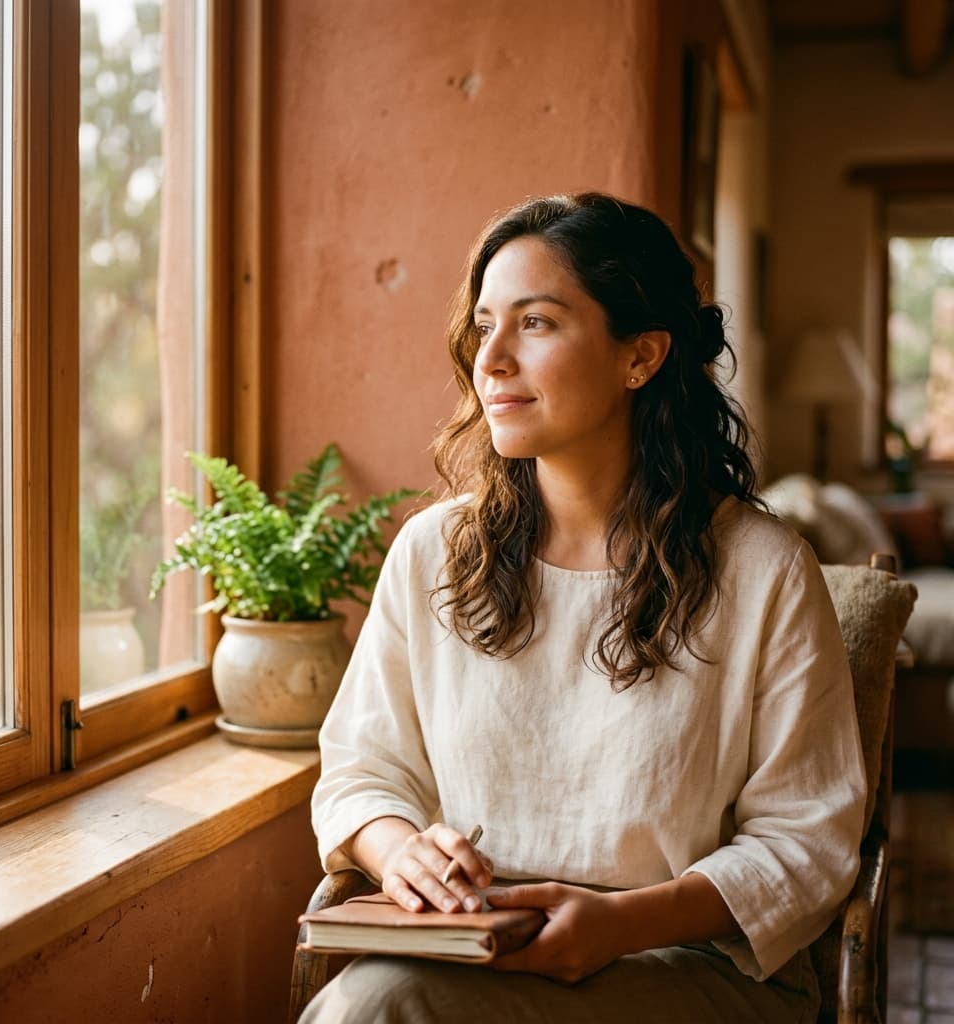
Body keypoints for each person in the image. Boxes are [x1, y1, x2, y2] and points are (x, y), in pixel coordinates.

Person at [301, 192, 866, 1022]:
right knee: (373, 1005)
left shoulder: (764, 570)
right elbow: (361, 768)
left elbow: (806, 842)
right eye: (484, 324)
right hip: (475, 950)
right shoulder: (433, 553)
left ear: (639, 357)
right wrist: (402, 855)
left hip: (689, 962)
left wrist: (618, 924)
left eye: (535, 323)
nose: (490, 359)